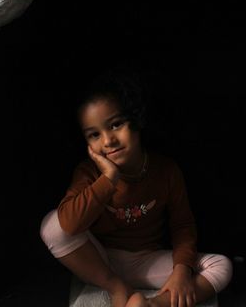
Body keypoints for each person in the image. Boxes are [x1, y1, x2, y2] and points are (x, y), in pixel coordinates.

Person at [39, 69, 232, 307]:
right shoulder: (88, 172)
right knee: (51, 225)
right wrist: (109, 178)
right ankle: (117, 287)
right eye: (94, 135)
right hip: (98, 260)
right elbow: (67, 225)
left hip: (146, 262)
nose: (108, 140)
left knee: (221, 265)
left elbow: (183, 225)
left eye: (116, 124)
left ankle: (153, 304)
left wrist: (181, 271)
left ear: (136, 120)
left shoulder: (166, 170)